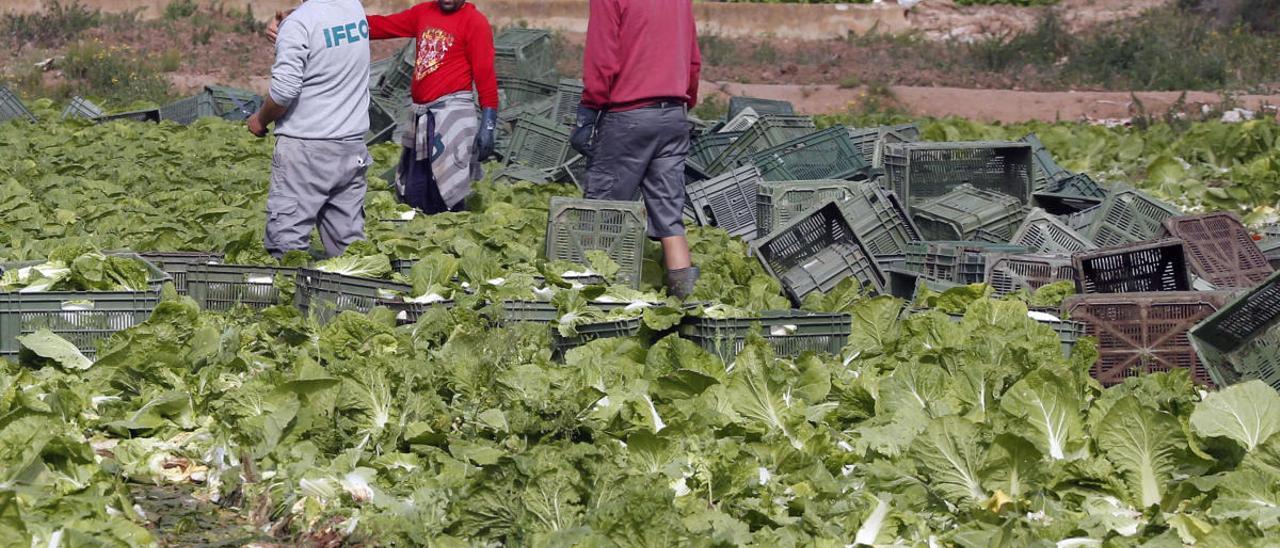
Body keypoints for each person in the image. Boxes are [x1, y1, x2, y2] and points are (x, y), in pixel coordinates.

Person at [268, 0, 499, 215]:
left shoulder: (475, 22)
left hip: (452, 112)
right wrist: (303, 19)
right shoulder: (424, 12)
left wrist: (489, 120)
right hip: (422, 112)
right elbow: (377, 26)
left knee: (446, 184)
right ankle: (420, 235)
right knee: (416, 184)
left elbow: (485, 74)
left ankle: (450, 234)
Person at [571, 0, 703, 298]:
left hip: (628, 115)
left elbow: (602, 57)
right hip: (673, 113)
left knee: (602, 210)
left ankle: (597, 300)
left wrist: (590, 107)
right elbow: (693, 59)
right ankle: (686, 302)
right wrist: (684, 100)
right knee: (670, 215)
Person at [249, 0, 372, 259]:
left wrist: (260, 120)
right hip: (351, 146)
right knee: (347, 246)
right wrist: (292, 18)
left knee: (287, 242)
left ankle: (288, 296)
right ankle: (355, 298)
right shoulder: (354, 9)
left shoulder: (300, 24)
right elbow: (325, 16)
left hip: (306, 148)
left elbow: (284, 92)